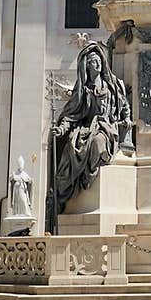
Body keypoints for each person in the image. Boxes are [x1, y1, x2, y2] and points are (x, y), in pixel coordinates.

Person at [50, 43, 131, 216]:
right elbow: (72, 114)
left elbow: (123, 105)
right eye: (94, 62)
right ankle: (82, 180)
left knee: (97, 143)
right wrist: (62, 129)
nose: (98, 64)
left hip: (107, 128)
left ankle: (89, 177)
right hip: (87, 127)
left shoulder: (112, 85)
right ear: (87, 66)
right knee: (72, 147)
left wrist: (127, 118)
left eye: (99, 61)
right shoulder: (84, 90)